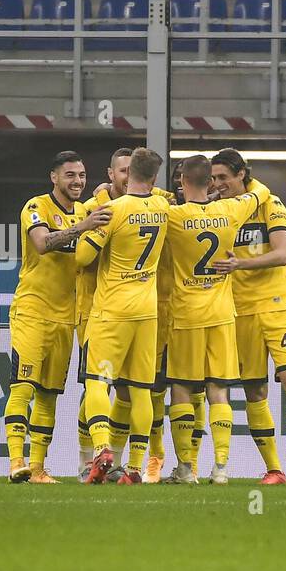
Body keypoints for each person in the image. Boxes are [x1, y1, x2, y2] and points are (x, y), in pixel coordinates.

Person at [161, 155, 268, 485]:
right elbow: (260, 193)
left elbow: (141, 209)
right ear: (210, 182)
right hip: (223, 314)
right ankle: (221, 468)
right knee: (218, 390)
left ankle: (184, 469)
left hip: (186, 314)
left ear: (181, 182)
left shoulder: (173, 215)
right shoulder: (230, 210)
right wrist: (238, 186)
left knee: (181, 388)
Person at [5, 150, 110, 483]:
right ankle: (15, 461)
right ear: (54, 177)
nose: (77, 181)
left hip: (67, 316)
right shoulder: (36, 206)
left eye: (81, 175)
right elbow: (42, 243)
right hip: (33, 310)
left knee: (49, 394)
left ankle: (36, 468)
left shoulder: (83, 210)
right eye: (70, 175)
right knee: (23, 386)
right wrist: (84, 226)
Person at [210, 149, 286, 485]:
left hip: (277, 305)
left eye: (224, 177)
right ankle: (274, 469)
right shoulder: (220, 209)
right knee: (254, 390)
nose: (218, 184)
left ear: (242, 174)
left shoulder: (271, 203)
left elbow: (281, 254)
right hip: (238, 311)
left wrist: (239, 264)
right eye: (213, 178)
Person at [75, 147, 170, 484]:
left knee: (97, 382)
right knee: (141, 390)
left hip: (112, 308)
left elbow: (83, 257)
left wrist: (94, 214)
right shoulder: (162, 207)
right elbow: (164, 196)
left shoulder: (113, 210)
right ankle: (134, 468)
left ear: (127, 175)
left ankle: (102, 448)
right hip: (147, 311)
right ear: (155, 178)